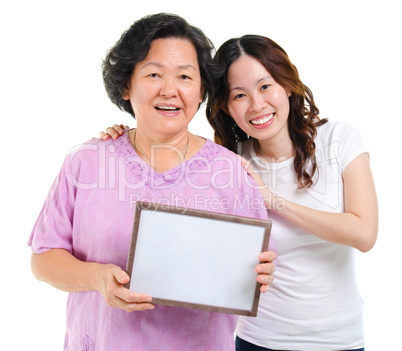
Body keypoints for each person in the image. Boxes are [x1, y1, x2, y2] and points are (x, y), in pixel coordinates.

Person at [103, 34, 378, 350]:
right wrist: (128, 138)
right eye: (239, 95)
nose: (257, 104)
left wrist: (273, 200)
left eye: (265, 86)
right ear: (227, 107)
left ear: (287, 85)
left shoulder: (339, 140)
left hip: (339, 339)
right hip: (256, 339)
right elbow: (183, 223)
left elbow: (364, 233)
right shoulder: (231, 162)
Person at [28, 14, 277, 351]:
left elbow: (258, 265)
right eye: (153, 74)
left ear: (202, 90)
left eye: (185, 76)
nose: (169, 90)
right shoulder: (86, 162)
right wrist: (96, 279)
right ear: (126, 85)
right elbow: (43, 259)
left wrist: (260, 273)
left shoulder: (232, 173)